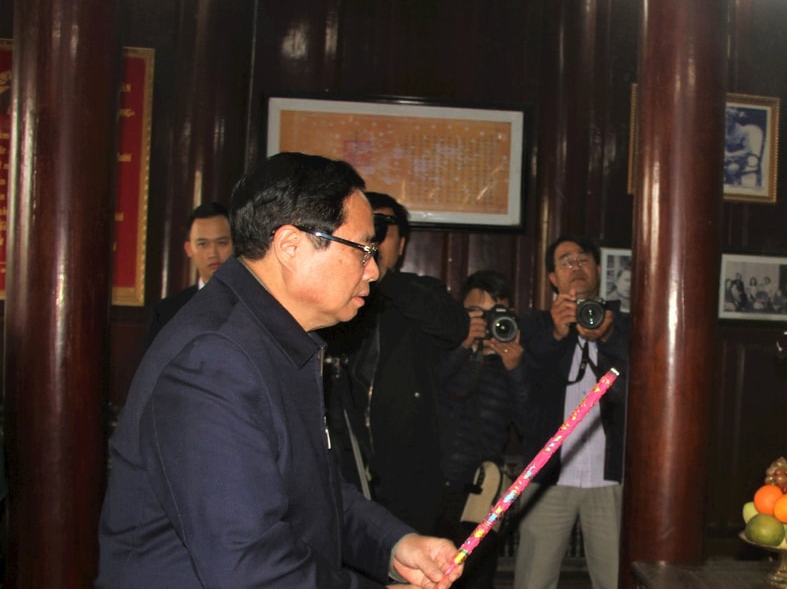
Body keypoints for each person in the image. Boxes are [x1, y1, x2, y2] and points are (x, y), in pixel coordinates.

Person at [97, 152, 461, 588]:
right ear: (290, 246)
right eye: (363, 249)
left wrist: (394, 544)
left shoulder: (275, 336)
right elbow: (249, 566)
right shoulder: (213, 360)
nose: (374, 269)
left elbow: (312, 491)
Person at [321, 192, 470, 534]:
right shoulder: (336, 299)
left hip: (412, 474)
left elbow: (453, 327)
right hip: (345, 468)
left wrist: (382, 276)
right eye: (366, 232)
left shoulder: (417, 291)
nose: (373, 241)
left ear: (401, 245)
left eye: (383, 233)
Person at [514, 234, 630, 589]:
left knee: (614, 579)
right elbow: (524, 384)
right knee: (534, 579)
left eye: (583, 260)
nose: (576, 267)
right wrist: (555, 332)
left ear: (597, 269)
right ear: (553, 278)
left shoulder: (622, 324)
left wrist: (606, 338)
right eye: (566, 262)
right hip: (549, 476)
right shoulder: (535, 324)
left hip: (609, 478)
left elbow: (641, 380)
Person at [434, 269, 531, 589]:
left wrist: (514, 370)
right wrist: (463, 345)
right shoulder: (443, 349)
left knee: (476, 577)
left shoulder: (513, 363)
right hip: (433, 485)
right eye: (477, 313)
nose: (487, 322)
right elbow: (427, 393)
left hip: (482, 489)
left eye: (496, 314)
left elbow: (530, 425)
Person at [143, 202, 233, 348]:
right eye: (203, 244)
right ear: (188, 249)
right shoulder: (167, 312)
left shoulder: (255, 305)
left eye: (222, 243)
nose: (212, 253)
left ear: (236, 245)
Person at [724, 106, 765, 186]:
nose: (725, 122)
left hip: (739, 160)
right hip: (726, 159)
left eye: (728, 120)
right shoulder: (724, 129)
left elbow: (748, 151)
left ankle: (733, 184)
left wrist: (731, 155)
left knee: (731, 169)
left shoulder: (743, 131)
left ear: (733, 120)